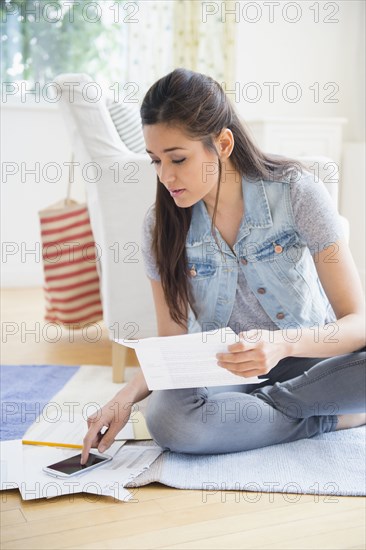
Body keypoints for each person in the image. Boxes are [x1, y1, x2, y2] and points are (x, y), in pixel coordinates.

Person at [81, 68, 365, 464]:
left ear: (223, 143)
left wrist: (281, 344)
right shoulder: (159, 227)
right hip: (228, 373)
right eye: (155, 161)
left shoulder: (297, 191)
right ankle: (331, 416)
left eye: (178, 158)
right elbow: (171, 344)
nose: (165, 176)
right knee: (168, 421)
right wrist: (125, 397)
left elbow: (357, 321)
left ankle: (297, 406)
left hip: (312, 360)